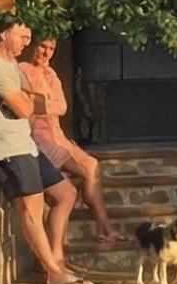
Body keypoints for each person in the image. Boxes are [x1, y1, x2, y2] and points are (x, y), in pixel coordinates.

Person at [0, 20, 85, 284]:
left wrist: (29, 99)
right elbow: (24, 108)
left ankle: (56, 258)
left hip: (26, 143)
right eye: (22, 36)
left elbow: (29, 98)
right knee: (31, 208)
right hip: (7, 147)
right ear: (3, 34)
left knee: (65, 193)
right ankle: (53, 273)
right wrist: (34, 101)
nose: (26, 42)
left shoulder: (10, 63)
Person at [19, 33, 113, 256]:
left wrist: (42, 102)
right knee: (73, 183)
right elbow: (29, 105)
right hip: (38, 139)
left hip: (57, 135)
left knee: (91, 165)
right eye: (42, 46)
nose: (46, 53)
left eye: (51, 49)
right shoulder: (21, 69)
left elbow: (62, 107)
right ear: (32, 46)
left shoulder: (50, 73)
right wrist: (42, 103)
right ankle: (59, 253)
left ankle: (104, 228)